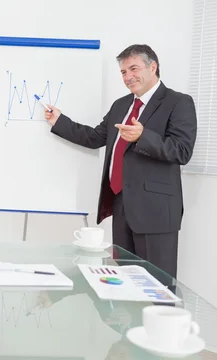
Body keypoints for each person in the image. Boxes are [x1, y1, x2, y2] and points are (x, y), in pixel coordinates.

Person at [44, 44, 197, 279]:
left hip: (156, 213)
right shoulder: (121, 105)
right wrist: (59, 121)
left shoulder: (178, 102)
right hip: (122, 206)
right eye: (123, 72)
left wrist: (143, 136)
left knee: (158, 285)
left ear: (153, 66)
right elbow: (95, 137)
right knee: (125, 283)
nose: (128, 77)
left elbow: (182, 151)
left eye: (133, 69)